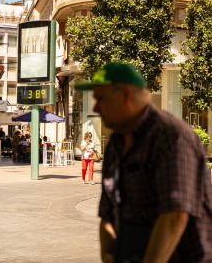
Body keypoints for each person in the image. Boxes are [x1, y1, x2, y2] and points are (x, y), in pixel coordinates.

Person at [74, 62, 212, 263]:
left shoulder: (171, 136)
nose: (95, 107)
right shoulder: (116, 144)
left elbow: (175, 216)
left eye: (101, 99)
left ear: (125, 96)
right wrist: (108, 255)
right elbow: (108, 213)